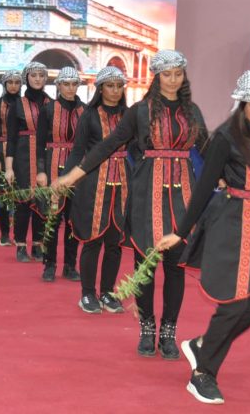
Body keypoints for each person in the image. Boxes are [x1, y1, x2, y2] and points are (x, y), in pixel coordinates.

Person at [52, 50, 207, 358]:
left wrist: (231, 177)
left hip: (182, 197)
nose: (173, 80)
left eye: (178, 74)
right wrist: (74, 175)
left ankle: (168, 332)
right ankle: (147, 329)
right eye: (167, 74)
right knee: (144, 264)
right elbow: (109, 145)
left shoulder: (193, 111)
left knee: (175, 267)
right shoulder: (140, 111)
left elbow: (209, 149)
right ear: (157, 77)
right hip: (146, 194)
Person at [157, 69, 250, 405]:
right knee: (235, 303)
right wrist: (180, 232)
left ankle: (202, 344)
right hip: (231, 224)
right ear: (243, 104)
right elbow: (204, 189)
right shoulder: (225, 138)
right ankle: (203, 374)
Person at [65, 66, 130, 313]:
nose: (115, 90)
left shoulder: (129, 115)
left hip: (122, 187)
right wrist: (67, 179)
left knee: (114, 243)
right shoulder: (89, 115)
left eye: (119, 86)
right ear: (100, 88)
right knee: (92, 241)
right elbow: (78, 151)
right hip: (93, 185)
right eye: (110, 86)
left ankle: (108, 293)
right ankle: (87, 294)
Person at [35, 66, 85, 282]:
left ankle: (70, 265)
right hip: (53, 167)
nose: (70, 88)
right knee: (52, 219)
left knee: (74, 221)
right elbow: (39, 143)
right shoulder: (48, 110)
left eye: (74, 84)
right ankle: (49, 264)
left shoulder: (86, 111)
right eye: (66, 84)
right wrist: (40, 171)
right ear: (58, 86)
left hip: (78, 172)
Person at [5, 61, 52, 262]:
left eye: (41, 75)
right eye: (34, 75)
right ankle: (21, 245)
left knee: (43, 201)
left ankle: (38, 245)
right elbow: (11, 139)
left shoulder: (52, 104)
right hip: (23, 158)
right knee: (23, 202)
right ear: (26, 78)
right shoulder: (17, 105)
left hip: (46, 158)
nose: (38, 79)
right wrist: (9, 168)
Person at [0, 70, 23, 246]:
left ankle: (19, 235)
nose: (13, 86)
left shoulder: (25, 104)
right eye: (10, 82)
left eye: (17, 82)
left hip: (22, 153)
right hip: (2, 152)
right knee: (4, 197)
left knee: (21, 196)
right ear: (5, 84)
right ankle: (4, 235)